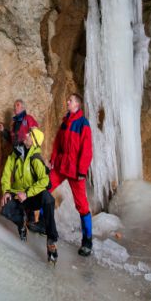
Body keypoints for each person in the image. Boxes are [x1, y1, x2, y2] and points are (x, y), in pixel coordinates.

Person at [0, 128, 59, 264]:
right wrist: (6, 191)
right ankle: (22, 225)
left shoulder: (36, 159)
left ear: (33, 142)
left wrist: (27, 193)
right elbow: (6, 173)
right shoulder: (16, 153)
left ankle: (51, 239)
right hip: (17, 193)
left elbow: (44, 181)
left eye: (30, 135)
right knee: (6, 209)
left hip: (31, 196)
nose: (26, 135)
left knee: (48, 199)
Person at [49, 93, 93, 256]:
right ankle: (39, 222)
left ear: (77, 105)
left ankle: (87, 240)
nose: (67, 101)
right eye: (68, 99)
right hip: (61, 166)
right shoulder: (65, 122)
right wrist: (52, 160)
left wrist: (82, 171)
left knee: (81, 205)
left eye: (71, 100)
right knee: (45, 187)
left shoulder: (83, 124)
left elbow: (87, 150)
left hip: (75, 170)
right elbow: (57, 144)